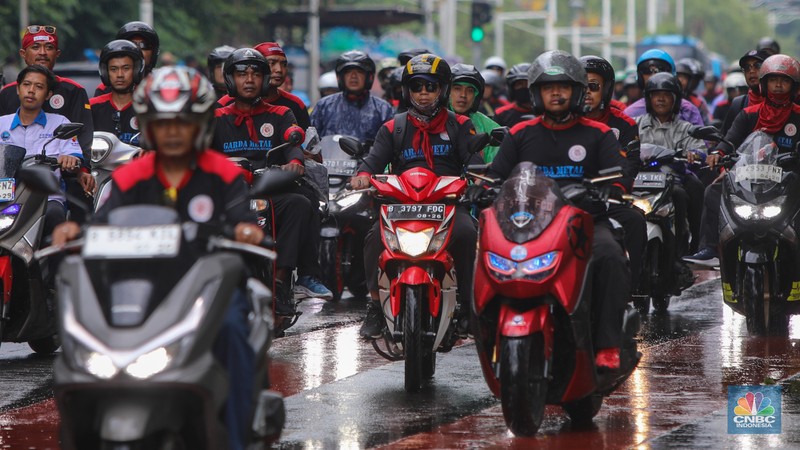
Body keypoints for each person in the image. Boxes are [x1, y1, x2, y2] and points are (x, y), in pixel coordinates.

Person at [53, 67, 259, 450]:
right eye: (163, 124)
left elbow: (244, 221)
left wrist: (246, 230)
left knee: (232, 331)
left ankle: (236, 438)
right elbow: (102, 222)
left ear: (200, 125)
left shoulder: (222, 173)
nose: (173, 132)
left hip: (205, 288)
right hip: (140, 286)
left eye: (183, 122)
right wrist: (75, 231)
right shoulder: (131, 177)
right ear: (148, 127)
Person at [486, 50, 631, 371]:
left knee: (610, 255)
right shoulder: (520, 133)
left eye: (563, 87)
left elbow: (619, 175)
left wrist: (613, 191)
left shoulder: (600, 134)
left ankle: (607, 344)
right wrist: (483, 189)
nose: (555, 93)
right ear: (535, 93)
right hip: (529, 226)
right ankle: (483, 330)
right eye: (547, 87)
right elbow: (496, 176)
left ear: (577, 91)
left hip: (585, 223)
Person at [350, 53, 482, 339]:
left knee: (468, 232)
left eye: (430, 87)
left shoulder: (459, 125)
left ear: (442, 90)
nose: (423, 94)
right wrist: (362, 176)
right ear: (407, 91)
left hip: (446, 206)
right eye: (417, 87)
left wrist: (478, 179)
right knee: (374, 237)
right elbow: (372, 162)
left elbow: (475, 162)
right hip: (401, 207)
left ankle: (469, 306)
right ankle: (375, 304)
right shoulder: (393, 127)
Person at [211, 48, 332, 308]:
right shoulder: (216, 116)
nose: (249, 79)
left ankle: (282, 280)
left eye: (256, 73)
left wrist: (295, 162)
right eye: (241, 73)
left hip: (270, 189)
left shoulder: (280, 113)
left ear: (265, 80)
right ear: (230, 79)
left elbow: (292, 141)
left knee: (300, 203)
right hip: (230, 194)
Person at [686, 54, 800, 267]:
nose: (777, 85)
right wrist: (717, 154)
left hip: (790, 181)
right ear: (764, 84)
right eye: (773, 80)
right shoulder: (748, 114)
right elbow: (729, 141)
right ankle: (711, 248)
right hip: (751, 178)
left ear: (793, 87)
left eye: (784, 81)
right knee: (713, 191)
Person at [0, 25, 96, 220]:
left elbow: (82, 140)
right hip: (7, 184)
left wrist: (80, 169)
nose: (31, 92)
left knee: (73, 206)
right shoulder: (6, 98)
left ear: (49, 93)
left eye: (48, 48)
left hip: (55, 182)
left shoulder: (72, 93)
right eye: (36, 47)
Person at [579, 55, 646, 291]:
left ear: (606, 90)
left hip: (606, 199)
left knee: (636, 221)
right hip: (565, 199)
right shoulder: (562, 120)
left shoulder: (623, 124)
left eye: (594, 86)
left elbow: (630, 165)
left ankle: (630, 290)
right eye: (581, 86)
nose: (587, 92)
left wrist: (616, 189)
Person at [635, 72, 706, 287]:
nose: (661, 99)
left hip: (671, 182)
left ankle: (680, 252)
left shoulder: (685, 127)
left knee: (680, 195)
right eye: (656, 94)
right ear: (648, 98)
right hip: (640, 183)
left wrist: (694, 154)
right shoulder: (635, 124)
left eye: (666, 95)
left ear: (675, 99)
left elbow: (700, 149)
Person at [0, 65, 83, 239]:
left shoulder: (60, 123)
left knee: (54, 216)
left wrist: (69, 160)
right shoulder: (2, 124)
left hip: (46, 198)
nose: (31, 91)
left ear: (48, 95)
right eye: (26, 85)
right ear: (17, 88)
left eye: (39, 87)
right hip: (5, 196)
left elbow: (75, 157)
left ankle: (53, 264)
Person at [310, 50, 394, 142]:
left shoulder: (383, 109)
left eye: (359, 71)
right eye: (348, 72)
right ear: (340, 77)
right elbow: (311, 143)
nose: (353, 76)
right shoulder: (324, 106)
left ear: (369, 77)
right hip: (330, 156)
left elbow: (390, 145)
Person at [623, 49, 704, 127]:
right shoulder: (630, 113)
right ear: (640, 77)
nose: (654, 75)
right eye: (647, 71)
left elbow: (700, 140)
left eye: (660, 70)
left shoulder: (688, 110)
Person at [89, 40, 145, 144]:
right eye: (113, 69)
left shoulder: (146, 108)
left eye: (126, 68)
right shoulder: (92, 107)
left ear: (136, 70)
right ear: (106, 72)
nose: (120, 74)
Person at [448, 63, 502, 162]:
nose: (463, 95)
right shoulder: (432, 120)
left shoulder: (489, 127)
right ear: (447, 92)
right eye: (457, 89)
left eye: (470, 90)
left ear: (476, 96)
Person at [95, 21, 161, 96]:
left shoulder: (161, 86)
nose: (138, 49)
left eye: (144, 45)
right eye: (130, 45)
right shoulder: (104, 90)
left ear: (154, 52)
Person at [720, 49, 770, 135]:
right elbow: (725, 141)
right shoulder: (738, 104)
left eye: (757, 65)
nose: (751, 71)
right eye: (747, 67)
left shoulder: (785, 104)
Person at [493, 63, 533, 128]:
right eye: (519, 84)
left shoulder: (545, 113)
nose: (524, 87)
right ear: (512, 88)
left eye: (527, 84)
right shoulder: (501, 114)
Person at [675, 58, 711, 124]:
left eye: (685, 78)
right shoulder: (667, 99)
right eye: (679, 76)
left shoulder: (698, 102)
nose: (681, 81)